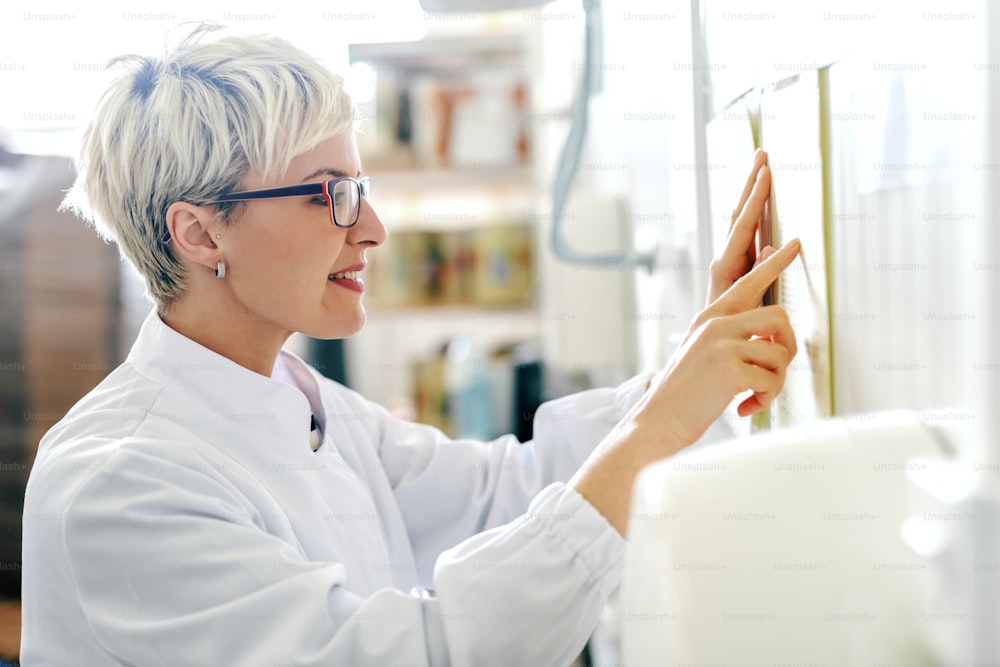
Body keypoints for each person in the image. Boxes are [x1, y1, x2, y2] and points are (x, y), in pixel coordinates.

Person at [20, 25, 799, 666]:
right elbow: (413, 655)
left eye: (360, 188)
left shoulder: (308, 407)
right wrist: (657, 429)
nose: (372, 228)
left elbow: (509, 489)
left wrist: (700, 355)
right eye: (332, 193)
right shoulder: (119, 483)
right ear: (199, 231)